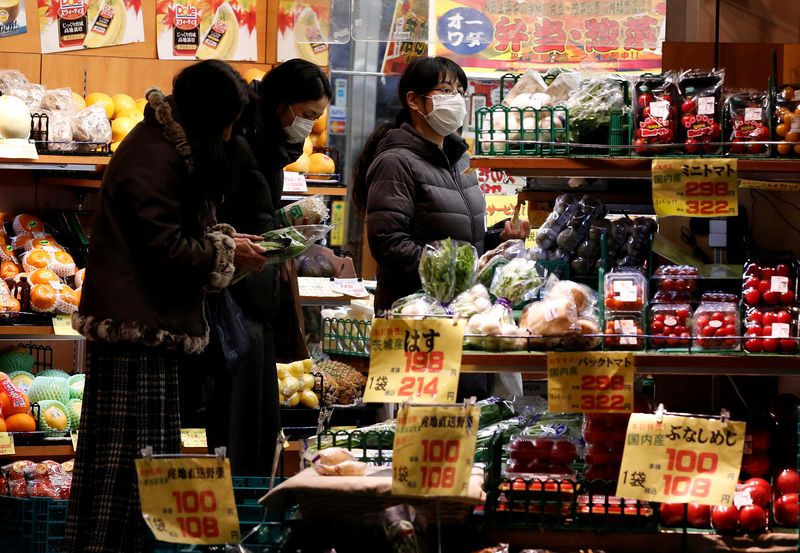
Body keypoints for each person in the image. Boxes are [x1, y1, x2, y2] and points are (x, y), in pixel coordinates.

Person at [63, 60, 267, 553]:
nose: (228, 132)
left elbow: (175, 233)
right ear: (207, 114)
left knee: (138, 469)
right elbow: (166, 247)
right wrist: (225, 252)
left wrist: (223, 239)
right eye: (227, 121)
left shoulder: (171, 148)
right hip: (137, 331)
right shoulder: (153, 156)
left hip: (150, 324)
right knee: (124, 471)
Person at [185, 59, 332, 476]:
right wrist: (284, 228)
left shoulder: (266, 145)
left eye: (316, 117)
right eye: (306, 115)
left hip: (250, 295)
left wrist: (284, 225)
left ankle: (243, 512)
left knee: (250, 422)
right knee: (237, 423)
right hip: (235, 301)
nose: (308, 125)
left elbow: (254, 218)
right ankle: (234, 518)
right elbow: (242, 223)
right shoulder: (247, 146)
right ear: (281, 104)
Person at [352, 56, 529, 399]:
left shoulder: (458, 159)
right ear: (414, 100)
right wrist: (454, 269)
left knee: (466, 428)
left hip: (459, 315)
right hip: (415, 321)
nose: (457, 99)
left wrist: (497, 236)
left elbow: (455, 234)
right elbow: (387, 242)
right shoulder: (395, 162)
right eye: (446, 90)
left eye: (460, 92)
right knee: (421, 434)